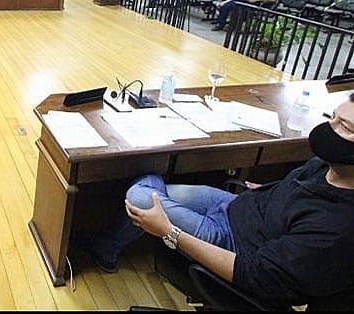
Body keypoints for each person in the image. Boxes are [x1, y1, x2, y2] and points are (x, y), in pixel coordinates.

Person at [85, 95, 354, 310]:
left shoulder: (336, 230)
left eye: (345, 127)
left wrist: (170, 232)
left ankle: (108, 246)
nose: (330, 129)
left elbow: (254, 274)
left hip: (232, 244)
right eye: (332, 118)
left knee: (140, 196)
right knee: (149, 175)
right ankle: (109, 245)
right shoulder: (329, 165)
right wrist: (267, 190)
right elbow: (299, 194)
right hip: (235, 206)